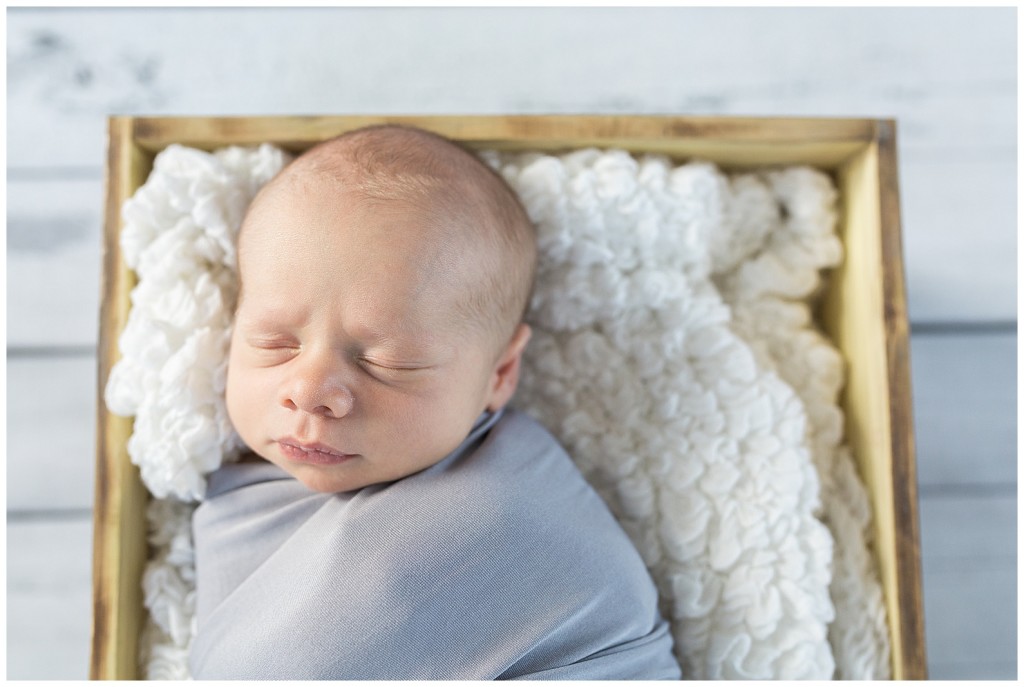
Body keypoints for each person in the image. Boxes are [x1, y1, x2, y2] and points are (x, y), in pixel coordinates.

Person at [188, 124, 682, 680]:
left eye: (388, 363)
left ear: (499, 372)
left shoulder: (499, 513)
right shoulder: (240, 487)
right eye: (274, 344)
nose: (309, 392)